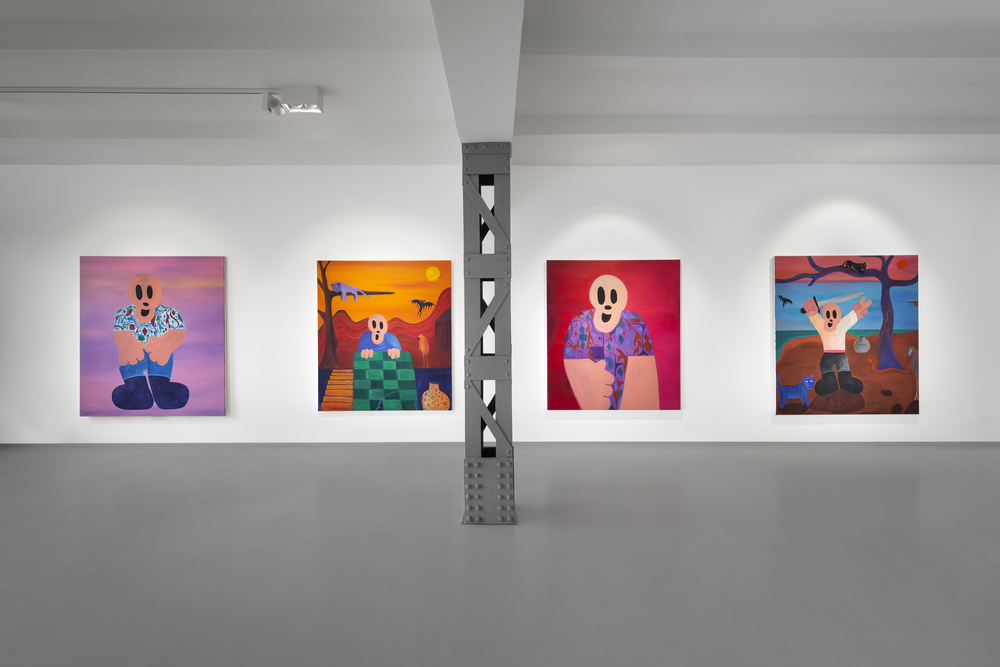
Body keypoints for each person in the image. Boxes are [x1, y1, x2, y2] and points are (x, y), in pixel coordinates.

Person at [562, 274, 658, 410]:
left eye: (613, 297)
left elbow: (643, 386)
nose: (607, 304)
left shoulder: (634, 325)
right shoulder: (580, 324)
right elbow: (576, 369)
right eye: (602, 296)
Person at [112, 274, 189, 409]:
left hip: (159, 356)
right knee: (139, 395)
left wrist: (165, 345)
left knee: (164, 397)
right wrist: (126, 345)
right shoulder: (123, 315)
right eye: (139, 293)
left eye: (149, 293)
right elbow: (120, 335)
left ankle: (162, 391)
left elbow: (179, 332)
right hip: (134, 358)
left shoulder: (169, 314)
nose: (145, 300)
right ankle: (136, 392)